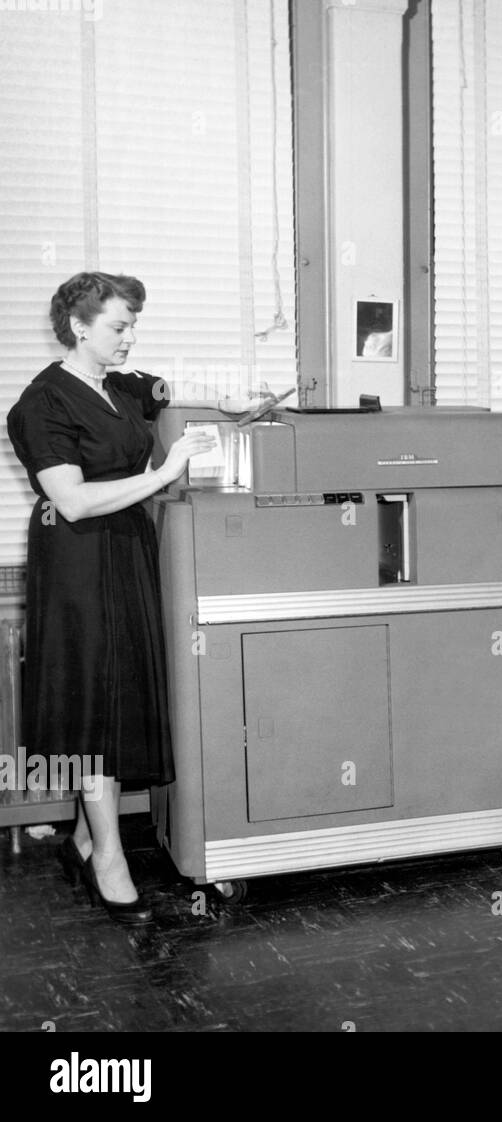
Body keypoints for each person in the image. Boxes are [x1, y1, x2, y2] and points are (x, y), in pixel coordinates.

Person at [5, 272, 215, 924]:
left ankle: (86, 837)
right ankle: (108, 861)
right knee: (94, 703)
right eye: (118, 326)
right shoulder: (40, 405)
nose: (129, 337)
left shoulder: (118, 389)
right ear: (78, 326)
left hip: (126, 554)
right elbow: (68, 500)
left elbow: (163, 393)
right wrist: (163, 473)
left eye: (133, 324)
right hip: (77, 564)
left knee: (120, 696)